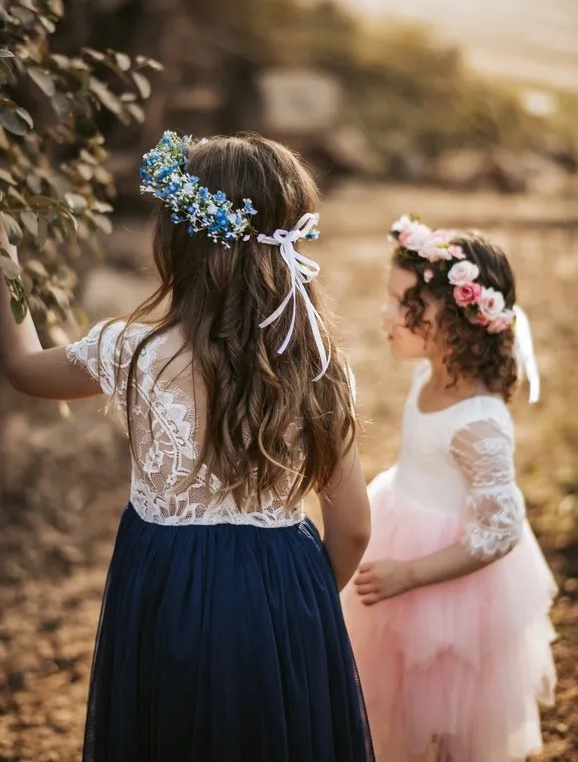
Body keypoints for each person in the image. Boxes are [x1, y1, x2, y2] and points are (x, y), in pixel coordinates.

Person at [0, 132, 374, 762]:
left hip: (165, 587)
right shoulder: (317, 363)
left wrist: (7, 262)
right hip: (283, 591)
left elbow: (26, 369)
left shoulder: (131, 349)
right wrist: (295, 606)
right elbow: (355, 527)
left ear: (178, 241)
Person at [342, 215, 557, 762]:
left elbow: (500, 532)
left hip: (448, 582)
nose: (386, 314)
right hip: (403, 523)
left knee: (445, 713)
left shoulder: (479, 423)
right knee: (391, 700)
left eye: (402, 303)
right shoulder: (430, 373)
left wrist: (410, 574)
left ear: (454, 319)